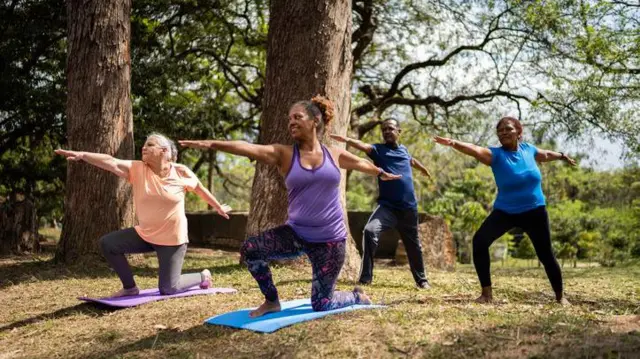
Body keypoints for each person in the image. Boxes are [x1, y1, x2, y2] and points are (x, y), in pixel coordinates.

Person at [180, 96, 402, 317]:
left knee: (322, 304)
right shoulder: (284, 154)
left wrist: (380, 172)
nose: (291, 122)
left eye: (298, 117)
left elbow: (361, 163)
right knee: (251, 249)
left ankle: (355, 296)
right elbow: (247, 147)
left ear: (315, 120)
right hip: (296, 234)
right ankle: (271, 301)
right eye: (289, 119)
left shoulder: (334, 154)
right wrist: (211, 144)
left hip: (331, 243)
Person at [55, 133, 231, 297]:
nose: (144, 148)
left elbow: (199, 188)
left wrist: (217, 206)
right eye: (144, 145)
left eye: (150, 144)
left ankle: (203, 276)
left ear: (164, 151)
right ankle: (130, 288)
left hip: (172, 240)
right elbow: (111, 162)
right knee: (108, 243)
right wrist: (83, 155)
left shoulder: (180, 171)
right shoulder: (138, 169)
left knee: (169, 288)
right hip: (146, 234)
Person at [434, 116, 575, 305]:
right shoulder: (496, 155)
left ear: (519, 132)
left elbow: (546, 155)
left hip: (535, 211)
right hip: (505, 212)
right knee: (480, 241)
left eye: (508, 129)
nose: (504, 133)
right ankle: (486, 294)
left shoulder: (529, 150)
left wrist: (561, 155)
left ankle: (560, 297)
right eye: (500, 131)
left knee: (545, 253)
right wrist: (453, 142)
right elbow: (474, 150)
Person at [330, 118, 432, 289]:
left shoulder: (404, 150)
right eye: (384, 129)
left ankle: (422, 280)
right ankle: (365, 278)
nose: (386, 132)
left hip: (408, 209)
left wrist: (423, 169)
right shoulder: (378, 150)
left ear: (399, 131)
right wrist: (347, 140)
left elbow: (411, 160)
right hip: (388, 208)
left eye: (390, 128)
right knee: (370, 231)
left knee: (414, 246)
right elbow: (363, 145)